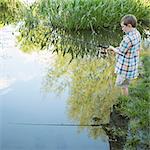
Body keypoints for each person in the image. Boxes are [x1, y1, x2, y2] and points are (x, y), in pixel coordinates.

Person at [108, 14, 141, 96]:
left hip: (125, 67)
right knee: (125, 84)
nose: (122, 29)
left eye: (123, 27)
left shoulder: (127, 39)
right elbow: (127, 48)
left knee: (123, 86)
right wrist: (116, 48)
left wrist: (112, 48)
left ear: (129, 26)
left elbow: (121, 51)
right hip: (132, 64)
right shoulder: (137, 33)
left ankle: (124, 100)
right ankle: (124, 99)